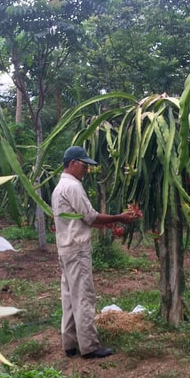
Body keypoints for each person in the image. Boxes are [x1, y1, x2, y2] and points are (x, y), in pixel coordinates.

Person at [51, 146, 141, 359]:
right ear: (73, 163)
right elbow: (90, 217)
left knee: (69, 296)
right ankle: (89, 346)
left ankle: (70, 343)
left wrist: (106, 224)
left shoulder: (59, 187)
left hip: (65, 248)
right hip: (77, 249)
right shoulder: (73, 187)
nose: (86, 170)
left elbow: (78, 218)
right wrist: (119, 218)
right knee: (83, 296)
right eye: (84, 165)